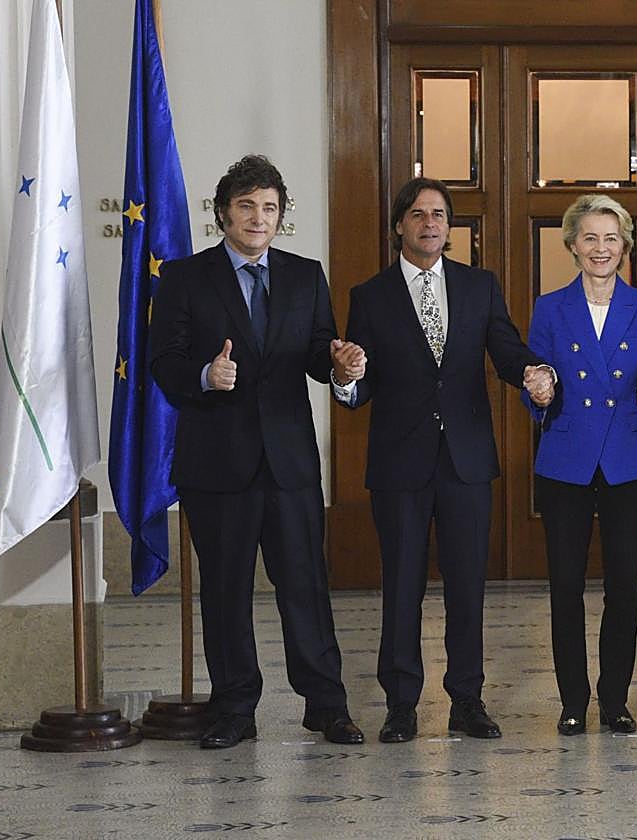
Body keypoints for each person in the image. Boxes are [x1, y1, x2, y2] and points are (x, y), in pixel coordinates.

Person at [149, 155, 363, 748]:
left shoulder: (304, 275)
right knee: (226, 591)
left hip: (289, 463)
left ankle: (327, 705)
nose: (258, 218)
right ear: (224, 213)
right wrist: (202, 376)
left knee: (306, 588)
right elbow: (162, 363)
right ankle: (235, 710)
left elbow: (320, 354)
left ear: (280, 217)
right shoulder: (185, 278)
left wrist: (341, 368)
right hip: (218, 465)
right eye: (246, 206)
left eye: (269, 207)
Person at [330, 177, 554, 744]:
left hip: (466, 461)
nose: (431, 223)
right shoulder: (371, 295)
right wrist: (346, 376)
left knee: (466, 586)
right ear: (399, 225)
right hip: (400, 464)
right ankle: (401, 705)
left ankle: (467, 701)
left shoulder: (479, 286)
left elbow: (505, 347)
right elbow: (360, 378)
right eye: (419, 214)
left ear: (449, 228)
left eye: (439, 214)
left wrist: (530, 372)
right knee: (401, 585)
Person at [522, 195, 637, 736]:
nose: (600, 249)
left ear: (625, 246)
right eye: (590, 238)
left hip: (628, 460)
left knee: (623, 586)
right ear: (572, 245)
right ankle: (571, 702)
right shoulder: (549, 308)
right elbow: (535, 379)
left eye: (611, 238)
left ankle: (614, 701)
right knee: (565, 584)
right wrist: (536, 390)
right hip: (567, 459)